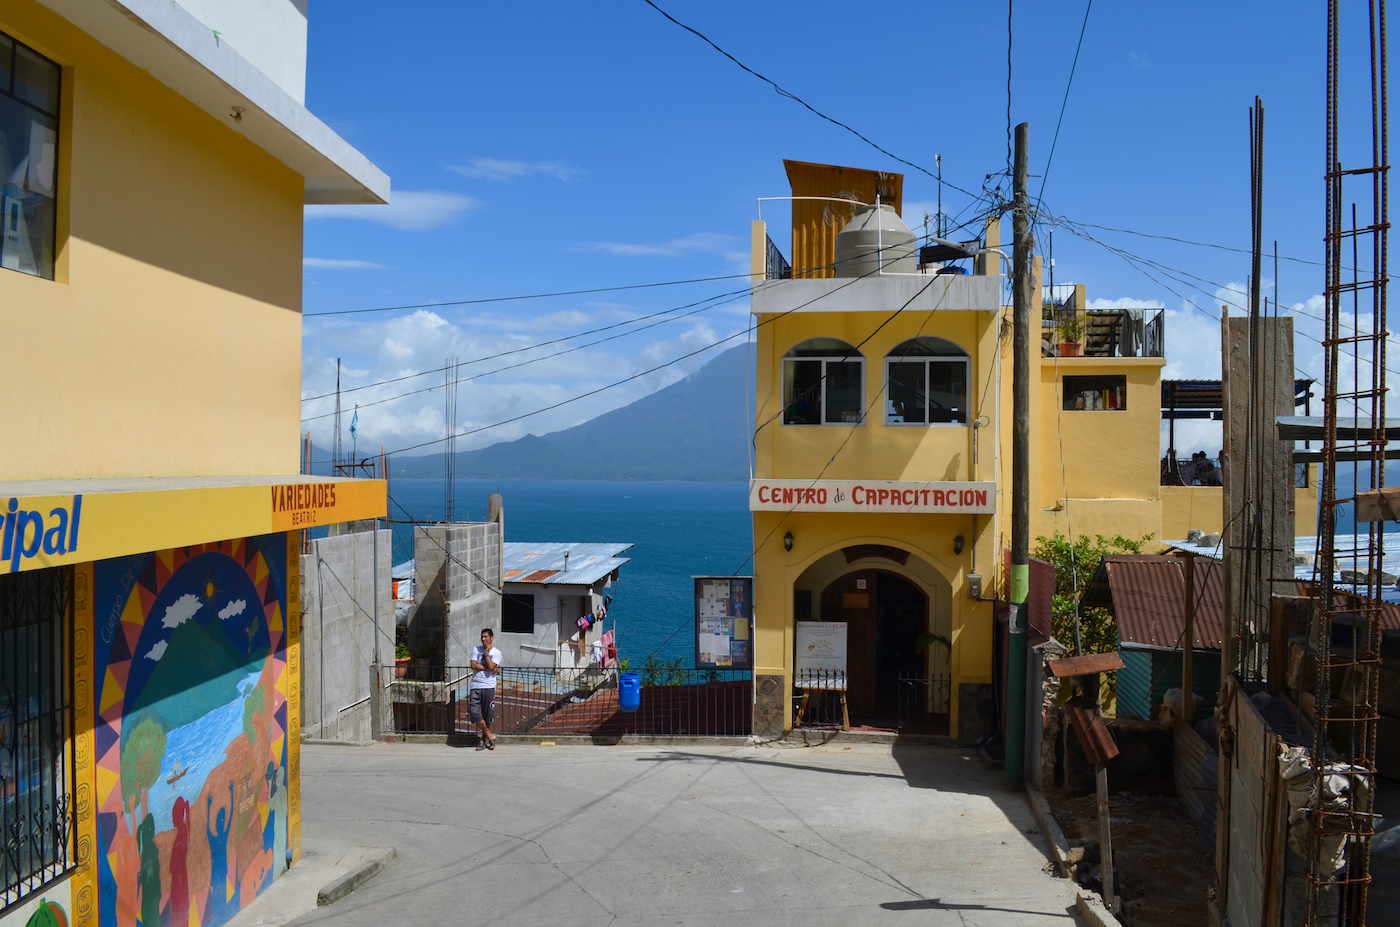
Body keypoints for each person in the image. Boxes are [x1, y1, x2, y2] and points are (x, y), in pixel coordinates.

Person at [469, 628, 502, 750]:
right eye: (482, 637)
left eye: (486, 637)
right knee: (474, 713)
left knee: (487, 715)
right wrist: (489, 668)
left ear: (491, 638)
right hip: (476, 685)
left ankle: (483, 740)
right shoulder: (476, 649)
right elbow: (473, 665)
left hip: (488, 686)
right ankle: (490, 735)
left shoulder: (496, 653)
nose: (483, 639)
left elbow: (493, 666)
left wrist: (487, 654)